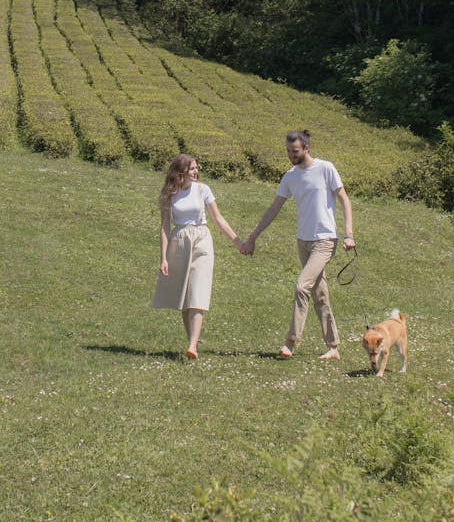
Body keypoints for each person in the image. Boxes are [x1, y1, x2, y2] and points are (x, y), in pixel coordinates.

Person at [240, 130, 355, 361]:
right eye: (288, 152)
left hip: (325, 239)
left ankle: (290, 342)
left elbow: (344, 200)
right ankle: (333, 346)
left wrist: (348, 234)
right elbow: (274, 208)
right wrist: (253, 236)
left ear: (306, 148)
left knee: (302, 286)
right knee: (319, 293)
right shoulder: (290, 176)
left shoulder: (325, 168)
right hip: (303, 241)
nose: (291, 155)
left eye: (294, 151)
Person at [152, 153, 243, 358]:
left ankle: (193, 345)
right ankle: (192, 340)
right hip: (179, 241)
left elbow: (218, 219)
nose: (196, 172)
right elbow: (165, 227)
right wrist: (164, 257)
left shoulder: (203, 190)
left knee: (198, 290)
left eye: (196, 168)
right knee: (184, 296)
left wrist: (237, 241)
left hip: (202, 239)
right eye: (192, 168)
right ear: (180, 172)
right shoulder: (169, 194)